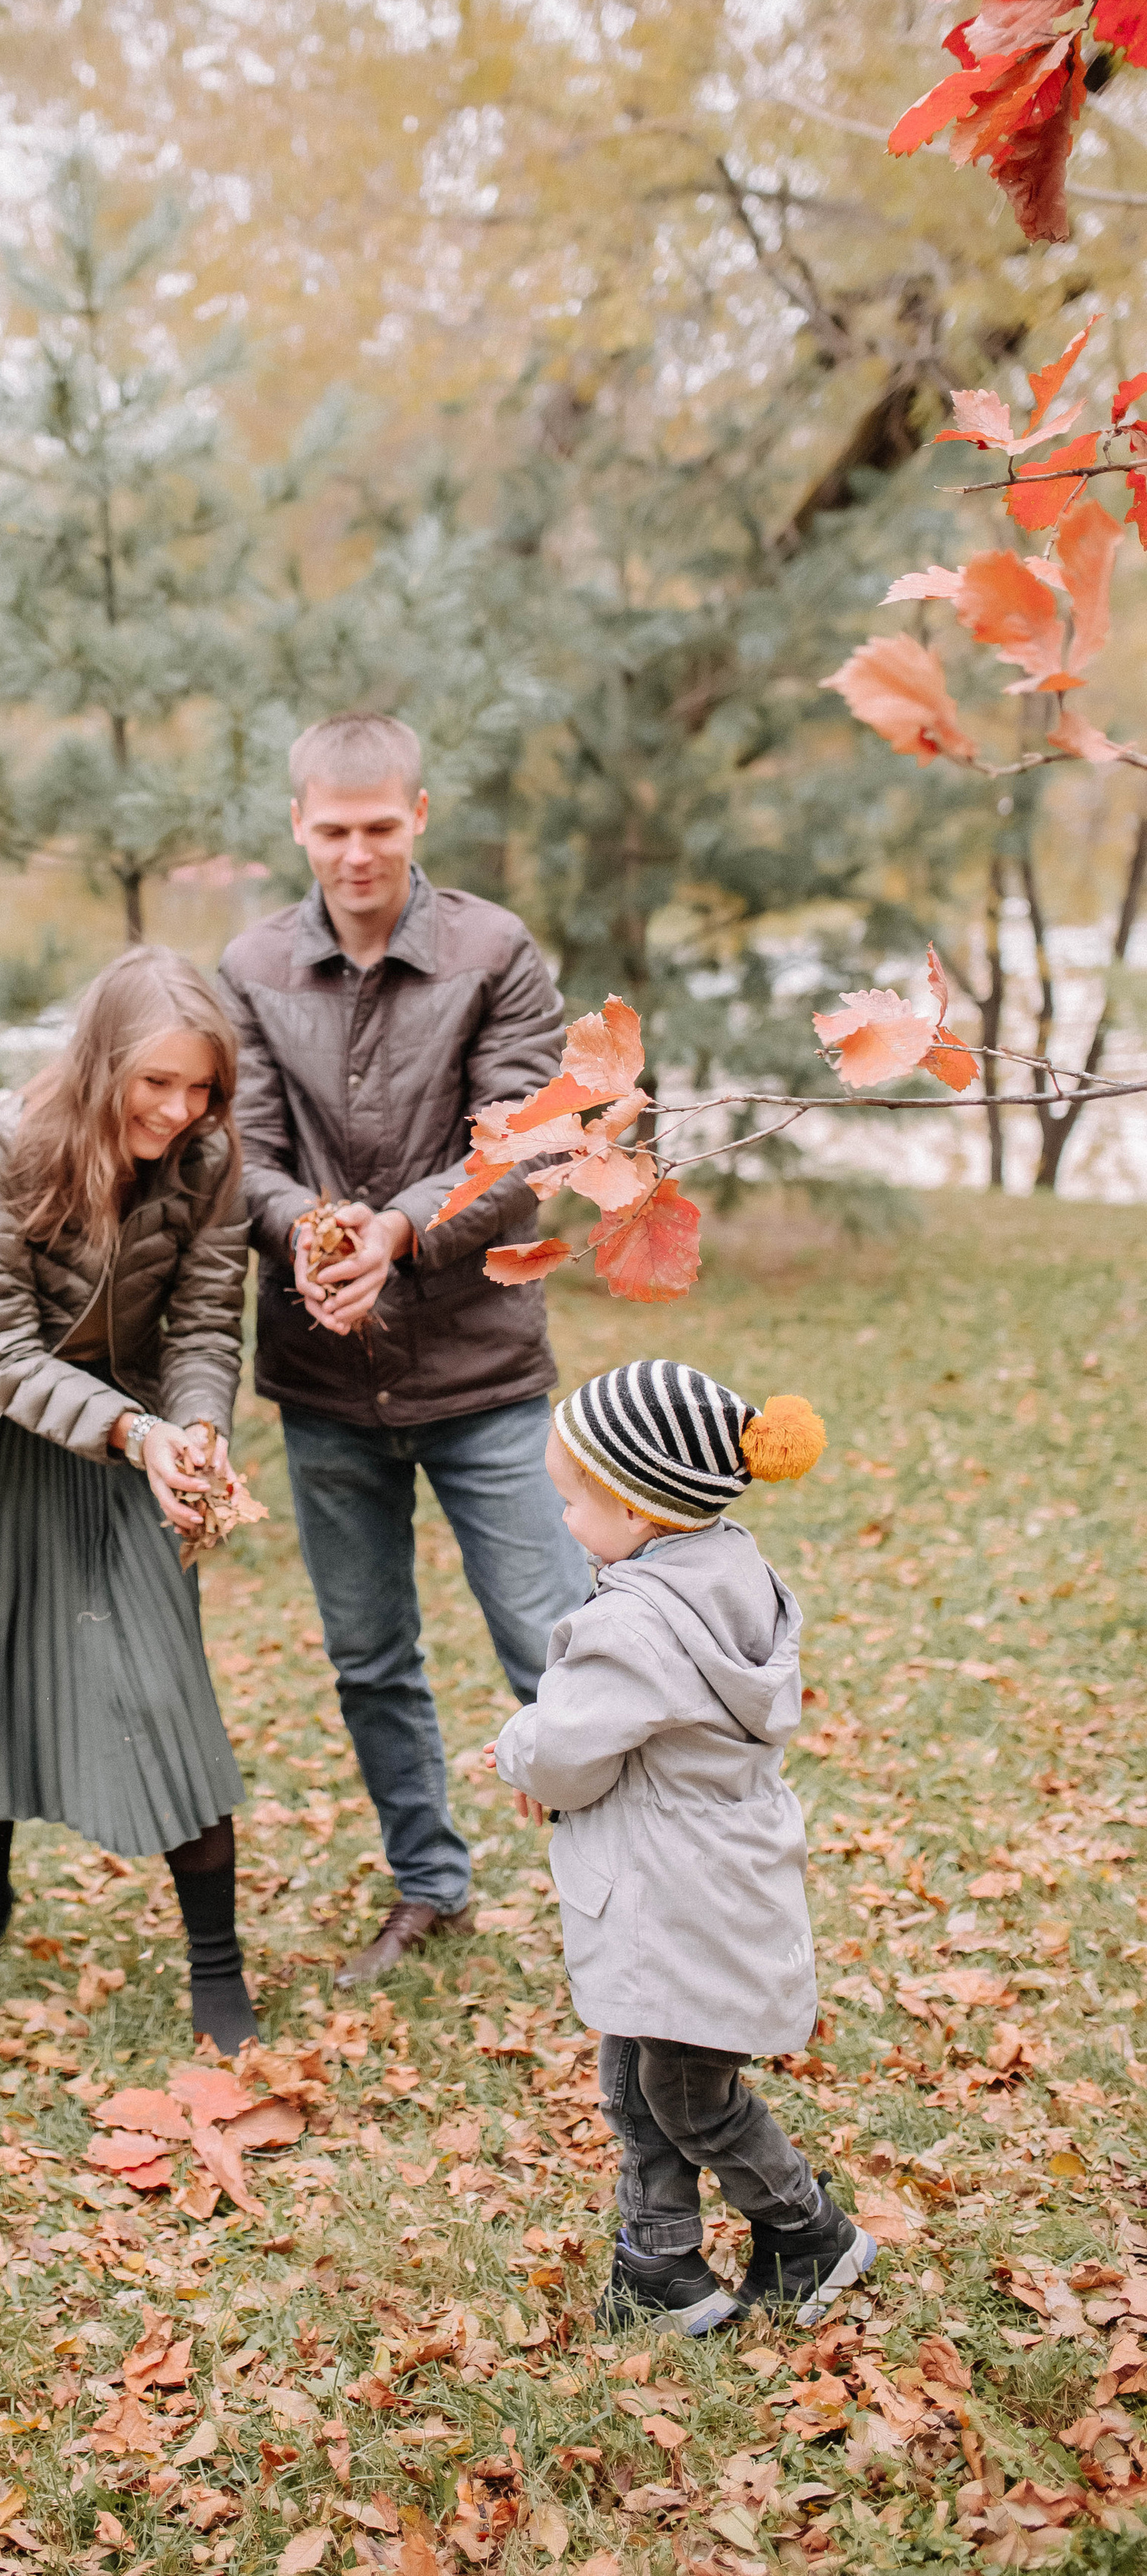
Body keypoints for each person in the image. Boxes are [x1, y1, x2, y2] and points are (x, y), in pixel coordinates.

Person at [218, 711, 590, 1987]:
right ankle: (428, 1884)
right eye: (334, 830)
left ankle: (619, 1886)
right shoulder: (253, 965)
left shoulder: (495, 950)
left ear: (420, 816)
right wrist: (313, 1230)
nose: (358, 853)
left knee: (555, 1641)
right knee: (369, 1657)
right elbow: (245, 1155)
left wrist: (401, 1229)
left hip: (483, 1368)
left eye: (381, 828)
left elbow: (527, 1142)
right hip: (322, 1376)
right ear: (297, 826)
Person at [0, 946, 258, 2053]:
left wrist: (196, 1430)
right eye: (158, 1085)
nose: (182, 1111)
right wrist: (134, 1431)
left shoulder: (209, 1159)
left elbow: (202, 1323)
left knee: (165, 1685)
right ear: (102, 1068)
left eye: (202, 1089)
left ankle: (219, 1971)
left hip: (128, 1428)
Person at [487, 1359, 877, 2332]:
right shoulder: (731, 1571)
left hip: (676, 1890)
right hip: (713, 1867)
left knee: (688, 2093)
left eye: (574, 1502)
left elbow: (570, 1751)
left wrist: (513, 1754)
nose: (566, 1521)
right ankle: (659, 2266)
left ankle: (811, 2231)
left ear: (636, 1511)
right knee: (638, 2072)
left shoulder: (633, 1623)